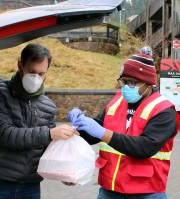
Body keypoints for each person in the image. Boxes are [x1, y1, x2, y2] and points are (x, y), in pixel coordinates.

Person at [68, 53, 178, 199]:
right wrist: (77, 129)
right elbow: (93, 133)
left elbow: (144, 147)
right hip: (110, 189)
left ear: (148, 83)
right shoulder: (117, 101)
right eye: (124, 81)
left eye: (133, 82)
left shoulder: (164, 110)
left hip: (146, 191)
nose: (127, 87)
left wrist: (103, 133)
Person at [0, 43, 77, 199]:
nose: (36, 78)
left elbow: (48, 149)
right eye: (32, 72)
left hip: (30, 186)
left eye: (41, 74)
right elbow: (4, 134)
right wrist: (49, 133)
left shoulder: (48, 106)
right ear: (20, 65)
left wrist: (64, 171)